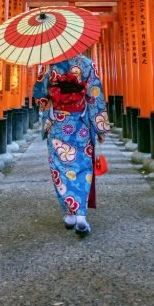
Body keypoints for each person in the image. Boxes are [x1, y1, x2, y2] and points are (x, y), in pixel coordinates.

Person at [33, 54, 110, 236]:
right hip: (80, 122)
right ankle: (81, 215)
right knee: (82, 165)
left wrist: (53, 98)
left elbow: (39, 96)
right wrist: (99, 127)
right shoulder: (87, 64)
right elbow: (94, 95)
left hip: (58, 123)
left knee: (60, 167)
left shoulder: (46, 65)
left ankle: (70, 212)